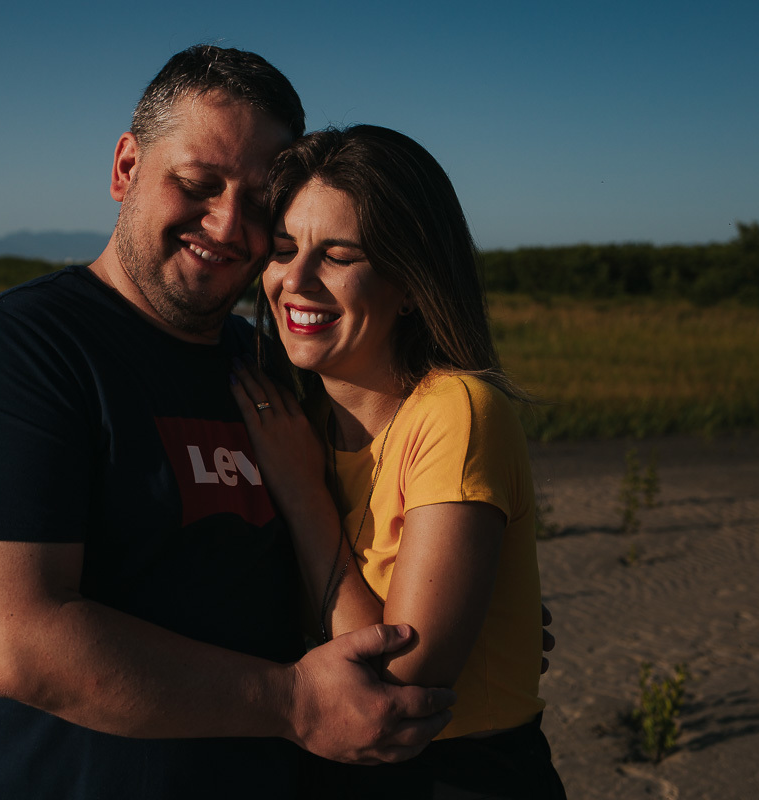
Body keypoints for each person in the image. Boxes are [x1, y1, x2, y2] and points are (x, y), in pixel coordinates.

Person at [0, 46, 459, 799]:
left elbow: (348, 553)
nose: (227, 225)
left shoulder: (270, 365)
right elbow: (14, 642)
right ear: (126, 168)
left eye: (260, 204)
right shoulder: (20, 351)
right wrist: (294, 702)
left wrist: (463, 607)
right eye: (197, 184)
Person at [229, 125, 567, 798]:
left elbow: (391, 689)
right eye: (286, 249)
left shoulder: (457, 412)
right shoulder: (298, 419)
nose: (295, 281)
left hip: (459, 777)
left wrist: (302, 494)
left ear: (410, 282)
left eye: (338, 255)